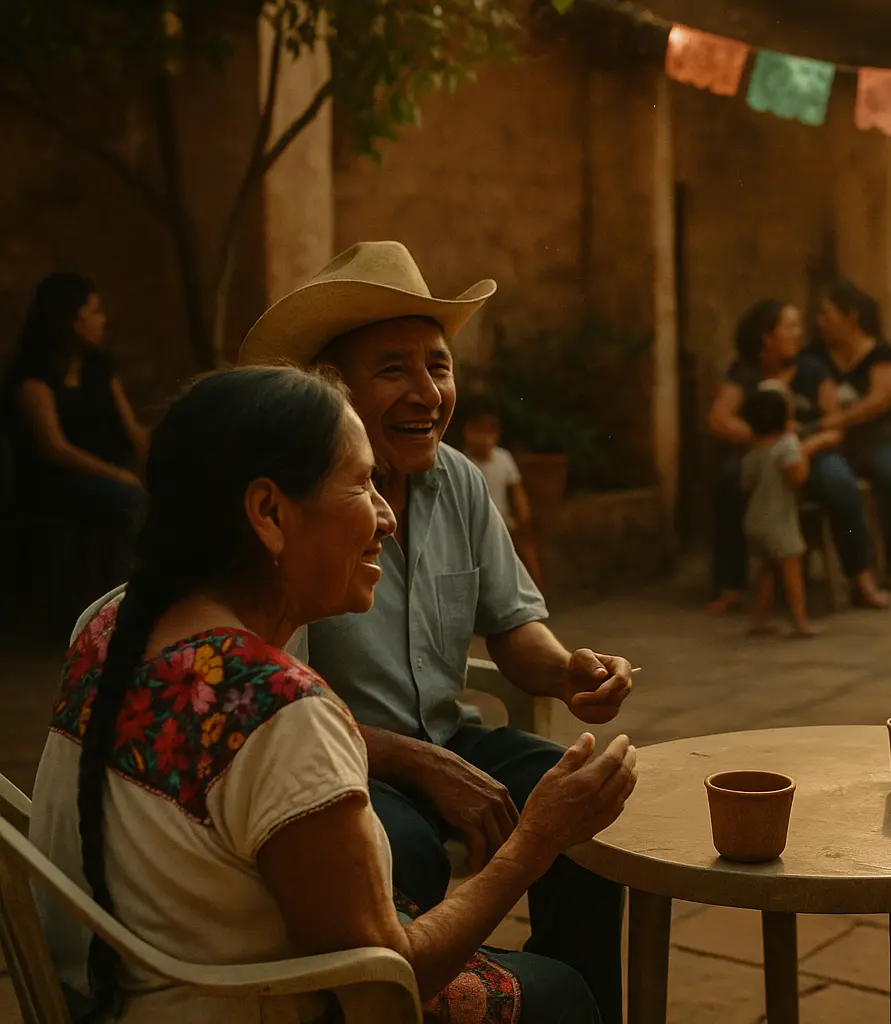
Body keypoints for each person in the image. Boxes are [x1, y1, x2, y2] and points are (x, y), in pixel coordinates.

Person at [28, 366, 635, 1024]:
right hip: (240, 1005)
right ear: (268, 513)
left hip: (124, 993)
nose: (386, 518)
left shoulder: (109, 623)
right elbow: (383, 985)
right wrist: (536, 839)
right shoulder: (278, 708)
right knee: (564, 992)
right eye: (363, 483)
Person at [236, 241, 635, 1024]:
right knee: (405, 847)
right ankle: (419, 1001)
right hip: (348, 761)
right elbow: (280, 708)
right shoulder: (307, 512)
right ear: (333, 389)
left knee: (583, 806)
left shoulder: (462, 482)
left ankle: (567, 999)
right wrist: (418, 765)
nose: (428, 393)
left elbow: (515, 628)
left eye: (439, 366)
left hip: (450, 735)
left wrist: (568, 671)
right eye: (394, 369)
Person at [705, 298, 889, 611]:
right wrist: (764, 438)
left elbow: (835, 428)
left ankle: (861, 579)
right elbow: (718, 418)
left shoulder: (813, 370)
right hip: (763, 455)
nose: (798, 334)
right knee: (729, 480)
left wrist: (803, 447)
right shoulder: (745, 373)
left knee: (839, 482)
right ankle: (731, 587)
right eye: (789, 327)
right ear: (768, 336)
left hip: (811, 452)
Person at [2, 272, 148, 633]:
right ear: (70, 318)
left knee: (143, 499)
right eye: (94, 310)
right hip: (54, 485)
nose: (103, 320)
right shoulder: (33, 376)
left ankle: (136, 603)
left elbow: (133, 432)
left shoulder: (100, 368)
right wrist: (116, 475)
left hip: (106, 480)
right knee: (129, 499)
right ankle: (115, 613)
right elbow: (54, 449)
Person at [811, 279, 891, 592]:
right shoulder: (817, 356)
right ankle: (858, 565)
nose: (820, 322)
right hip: (838, 443)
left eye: (827, 314)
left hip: (883, 438)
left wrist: (837, 419)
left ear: (851, 317)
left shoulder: (882, 353)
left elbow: (878, 401)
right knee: (832, 481)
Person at [740, 386, 816, 638]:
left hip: (754, 520)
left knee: (765, 570)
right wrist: (807, 449)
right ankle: (800, 621)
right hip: (779, 521)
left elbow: (745, 484)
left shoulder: (752, 451)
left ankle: (759, 620)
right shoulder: (787, 445)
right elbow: (799, 476)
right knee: (791, 570)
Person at [457, 392, 545, 591]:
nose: (484, 439)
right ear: (467, 432)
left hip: (504, 522)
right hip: (474, 525)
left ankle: (536, 592)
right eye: (477, 432)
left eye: (489, 433)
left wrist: (523, 517)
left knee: (526, 549)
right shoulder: (462, 463)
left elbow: (516, 490)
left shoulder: (503, 458)